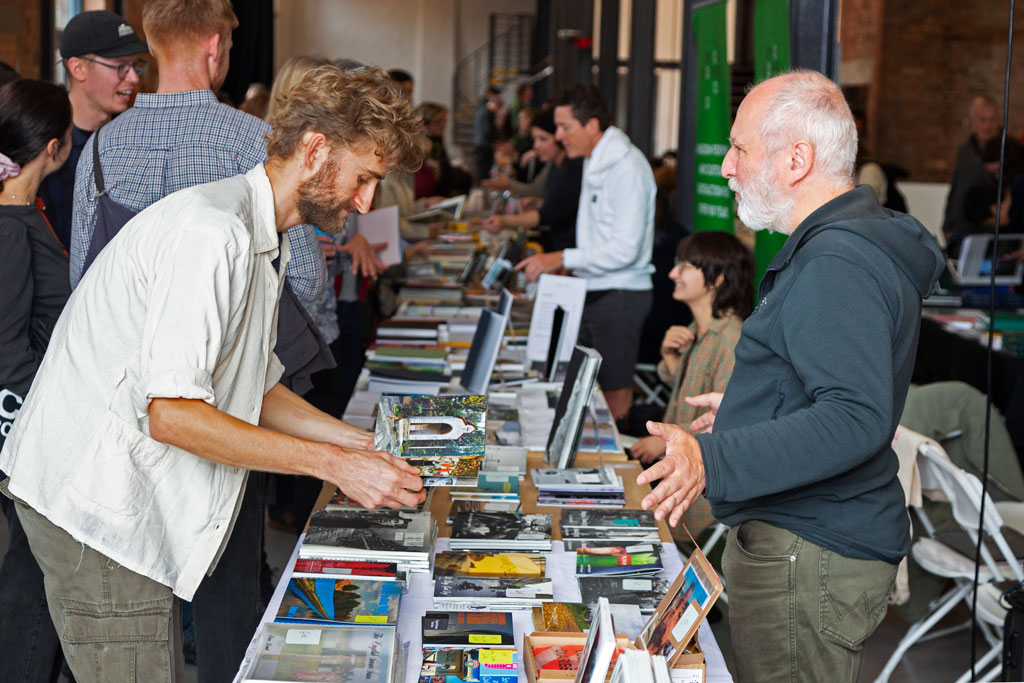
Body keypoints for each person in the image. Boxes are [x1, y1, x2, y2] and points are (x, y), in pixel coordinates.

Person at [0, 64, 426, 683]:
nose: (365, 203)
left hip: (120, 491)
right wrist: (334, 465)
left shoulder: (255, 232)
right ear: (314, 150)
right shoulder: (213, 233)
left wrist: (362, 443)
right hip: (95, 506)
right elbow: (173, 414)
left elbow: (257, 388)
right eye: (363, 179)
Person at [637, 70, 943, 682]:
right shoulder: (841, 244)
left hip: (812, 549)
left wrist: (709, 457)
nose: (726, 166)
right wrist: (755, 406)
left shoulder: (837, 260)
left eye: (740, 148)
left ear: (797, 158)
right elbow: (833, 384)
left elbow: (856, 418)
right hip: (807, 540)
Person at [66, 1, 327, 680]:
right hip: (227, 403)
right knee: (229, 584)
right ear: (214, 48)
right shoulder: (252, 141)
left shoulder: (104, 145)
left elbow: (81, 283)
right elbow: (307, 278)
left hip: (127, 410)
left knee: (139, 576)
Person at [516, 84, 656, 421]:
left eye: (566, 127)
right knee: (584, 387)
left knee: (613, 396)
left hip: (619, 293)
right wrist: (572, 266)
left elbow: (625, 247)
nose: (560, 136)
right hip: (595, 288)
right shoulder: (596, 160)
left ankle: (623, 468)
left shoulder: (625, 168)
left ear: (592, 125)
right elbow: (600, 236)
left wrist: (564, 257)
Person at [0, 79, 72, 683]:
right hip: (26, 432)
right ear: (55, 146)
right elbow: (7, 355)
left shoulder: (24, 211)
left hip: (34, 424)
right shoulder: (8, 223)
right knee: (32, 572)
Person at [628, 232, 753, 536]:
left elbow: (726, 422)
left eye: (684, 267)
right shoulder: (697, 329)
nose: (673, 274)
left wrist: (669, 441)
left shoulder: (730, 340)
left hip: (696, 497)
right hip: (674, 477)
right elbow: (689, 389)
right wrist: (669, 355)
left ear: (717, 279)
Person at [37, 10, 147, 252]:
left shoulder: (132, 140)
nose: (133, 78)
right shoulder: (41, 144)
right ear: (78, 69)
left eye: (135, 66)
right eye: (120, 67)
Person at [481, 107, 582, 253]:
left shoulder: (571, 169)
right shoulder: (555, 165)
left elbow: (547, 214)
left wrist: (505, 221)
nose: (536, 146)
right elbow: (560, 206)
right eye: (535, 139)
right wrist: (538, 202)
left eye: (543, 139)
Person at [942, 96, 1023, 251]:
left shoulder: (1011, 151)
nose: (988, 125)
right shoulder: (965, 151)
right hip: (961, 230)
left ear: (999, 122)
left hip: (995, 232)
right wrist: (947, 224)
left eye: (992, 120)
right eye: (982, 119)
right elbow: (955, 189)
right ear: (972, 122)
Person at [473, 85, 503, 182]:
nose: (496, 99)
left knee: (484, 170)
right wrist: (495, 140)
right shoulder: (486, 108)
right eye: (496, 96)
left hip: (481, 141)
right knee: (484, 171)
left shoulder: (482, 105)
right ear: (490, 94)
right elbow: (487, 128)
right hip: (484, 143)